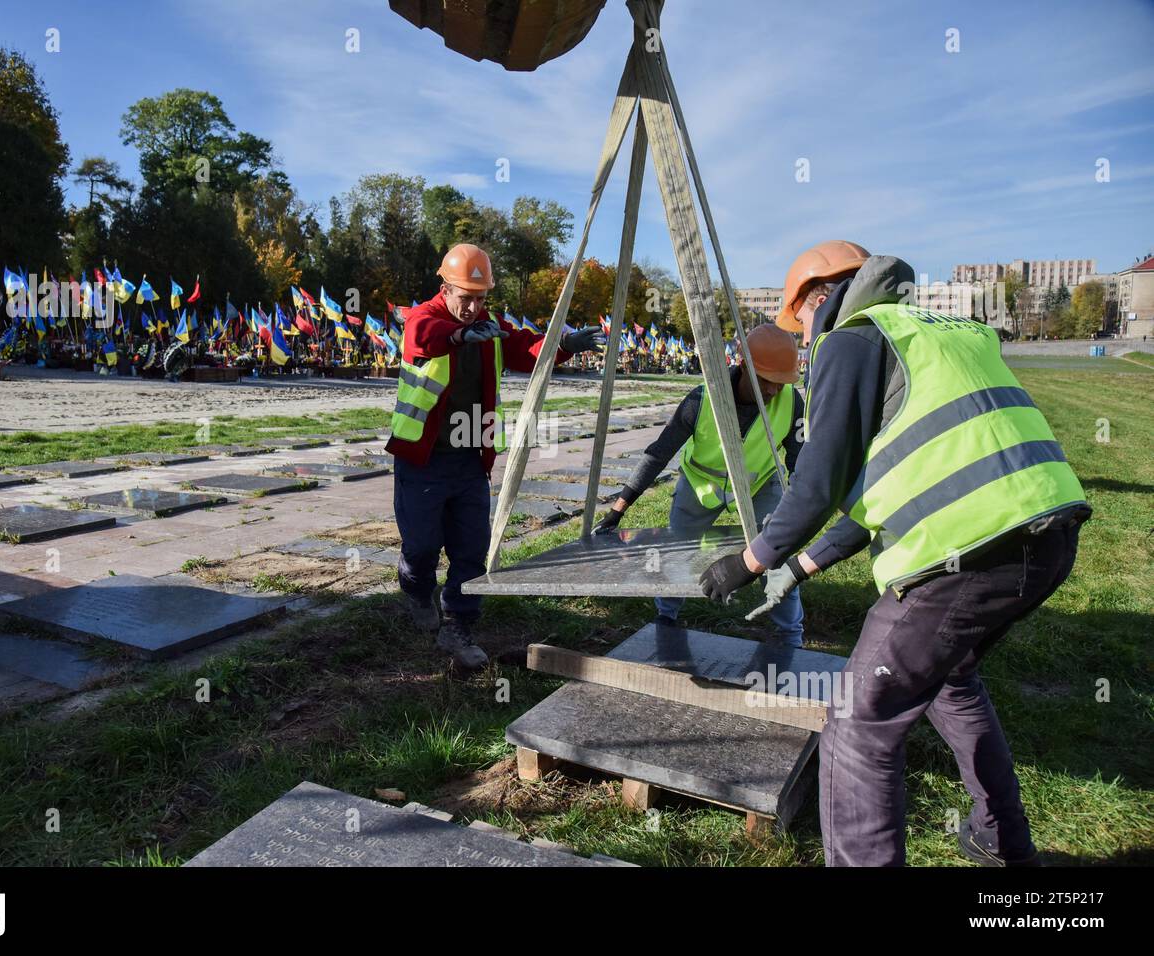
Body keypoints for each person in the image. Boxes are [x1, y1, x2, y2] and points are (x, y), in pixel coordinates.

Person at [696, 244, 1090, 867]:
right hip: (1046, 532)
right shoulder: (936, 333)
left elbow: (818, 484)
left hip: (964, 553)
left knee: (857, 720)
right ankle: (1001, 838)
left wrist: (747, 563)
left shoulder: (850, 338)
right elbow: (875, 492)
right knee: (950, 680)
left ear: (814, 299)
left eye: (799, 326)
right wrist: (798, 567)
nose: (803, 344)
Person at [387, 243, 606, 670]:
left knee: (472, 550)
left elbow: (526, 348)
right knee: (422, 545)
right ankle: (415, 588)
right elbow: (421, 338)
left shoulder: (489, 325)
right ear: (444, 288)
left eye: (480, 298)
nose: (472, 307)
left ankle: (458, 625)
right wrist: (458, 335)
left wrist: (564, 344)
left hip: (471, 457)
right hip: (423, 459)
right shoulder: (424, 317)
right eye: (465, 297)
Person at [594, 323, 806, 645]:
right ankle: (666, 617)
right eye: (767, 381)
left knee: (778, 554)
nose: (775, 391)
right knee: (679, 550)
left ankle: (791, 636)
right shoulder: (701, 400)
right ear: (743, 365)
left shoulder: (792, 403)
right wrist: (618, 508)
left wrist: (796, 512)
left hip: (760, 484)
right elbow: (658, 453)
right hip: (700, 487)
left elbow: (799, 460)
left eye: (782, 382)